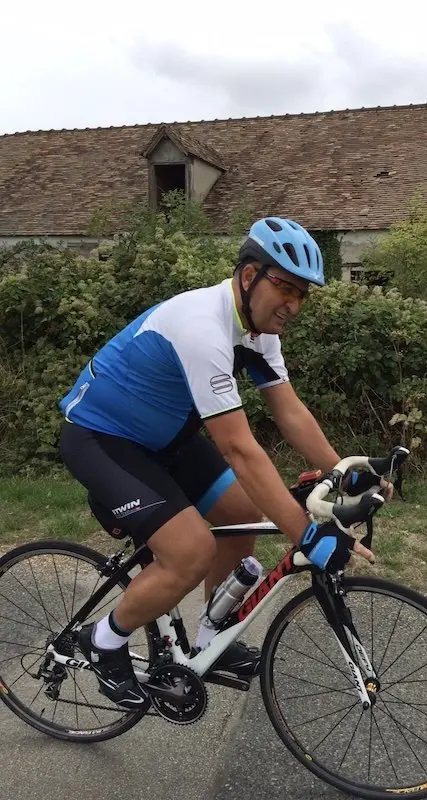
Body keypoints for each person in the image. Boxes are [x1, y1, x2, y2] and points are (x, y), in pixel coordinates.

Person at [58, 217, 385, 709]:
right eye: (286, 288)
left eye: (303, 295)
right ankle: (102, 640)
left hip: (167, 440)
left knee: (242, 513)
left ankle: (213, 633)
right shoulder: (202, 327)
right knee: (190, 550)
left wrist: (345, 472)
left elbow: (290, 413)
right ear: (250, 276)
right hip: (102, 438)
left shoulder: (258, 331)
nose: (294, 305)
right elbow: (239, 449)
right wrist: (306, 534)